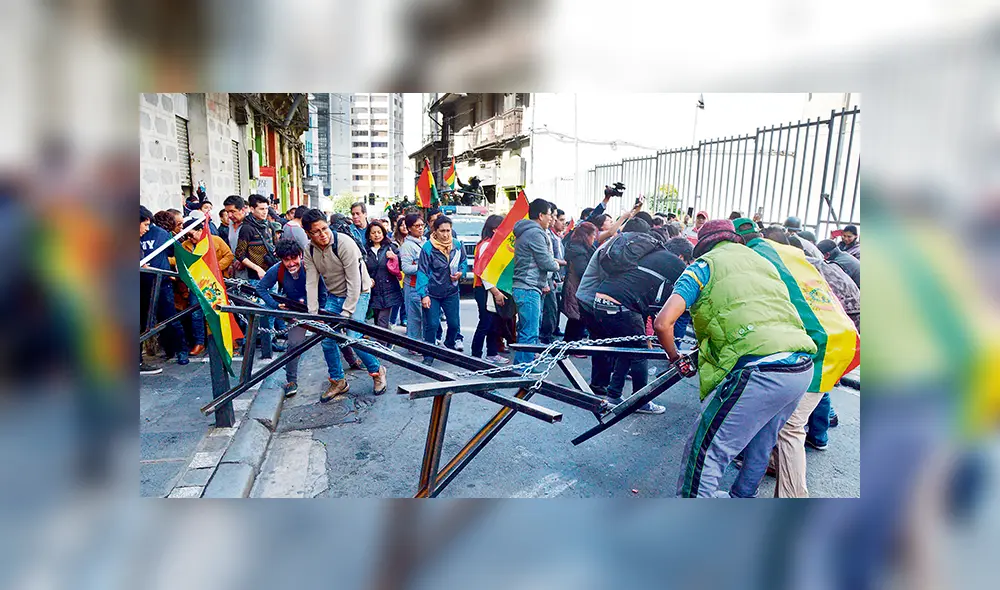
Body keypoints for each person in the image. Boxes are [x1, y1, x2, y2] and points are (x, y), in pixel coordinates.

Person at [652, 219, 817, 498]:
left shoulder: (704, 267)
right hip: (801, 366)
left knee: (705, 450)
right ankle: (742, 498)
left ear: (702, 247)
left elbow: (663, 323)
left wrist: (675, 357)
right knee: (762, 442)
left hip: (763, 369)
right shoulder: (763, 264)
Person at [734, 218, 857, 498]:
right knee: (784, 413)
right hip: (841, 337)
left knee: (790, 427)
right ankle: (777, 464)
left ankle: (793, 497)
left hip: (820, 346)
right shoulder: (791, 252)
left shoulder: (755, 258)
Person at [591, 217, 686, 414]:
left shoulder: (648, 256)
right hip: (621, 305)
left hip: (600, 301)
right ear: (683, 256)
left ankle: (614, 395)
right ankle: (642, 400)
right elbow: (686, 292)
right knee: (640, 352)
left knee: (628, 350)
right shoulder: (674, 262)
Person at [301, 209, 387, 400]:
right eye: (317, 231)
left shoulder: (345, 243)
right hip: (335, 295)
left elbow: (354, 281)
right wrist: (313, 314)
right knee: (327, 340)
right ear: (308, 233)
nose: (323, 234)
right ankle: (338, 381)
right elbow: (312, 282)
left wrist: (347, 312)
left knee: (352, 337)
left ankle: (377, 371)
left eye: (325, 228)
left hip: (359, 293)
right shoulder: (310, 250)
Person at [254, 238, 329, 398]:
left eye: (294, 258)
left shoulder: (310, 266)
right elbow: (261, 288)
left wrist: (320, 313)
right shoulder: (277, 270)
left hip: (317, 309)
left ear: (301, 256)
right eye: (286, 260)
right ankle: (291, 381)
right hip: (295, 311)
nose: (291, 263)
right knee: (294, 345)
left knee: (334, 339)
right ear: (281, 259)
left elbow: (323, 290)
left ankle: (351, 360)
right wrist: (275, 304)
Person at [511, 199, 561, 365]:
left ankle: (522, 365)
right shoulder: (536, 233)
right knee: (529, 331)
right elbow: (546, 262)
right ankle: (522, 368)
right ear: (540, 215)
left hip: (526, 287)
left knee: (527, 329)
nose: (551, 219)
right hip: (528, 287)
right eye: (549, 215)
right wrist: (556, 264)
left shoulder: (527, 231)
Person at [140, 206, 189, 369]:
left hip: (161, 284)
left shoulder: (161, 234)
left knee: (170, 318)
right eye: (145, 225)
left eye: (148, 225)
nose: (146, 228)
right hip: (139, 285)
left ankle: (180, 350)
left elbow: (176, 252)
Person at [179, 217, 234, 357]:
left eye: (191, 234)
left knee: (220, 311)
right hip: (196, 285)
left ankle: (224, 340)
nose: (189, 238)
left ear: (200, 230)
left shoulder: (216, 240)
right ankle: (200, 342)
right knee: (196, 314)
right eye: (187, 235)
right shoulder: (186, 245)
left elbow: (229, 255)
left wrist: (214, 269)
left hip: (215, 282)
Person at [417, 216, 467, 362]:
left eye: (448, 230)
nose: (445, 234)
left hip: (451, 291)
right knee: (431, 325)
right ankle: (428, 355)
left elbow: (463, 262)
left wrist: (461, 273)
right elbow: (422, 271)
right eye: (442, 231)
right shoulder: (428, 247)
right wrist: (423, 294)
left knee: (454, 324)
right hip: (432, 292)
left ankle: (448, 345)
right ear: (435, 231)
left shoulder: (457, 245)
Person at [471, 215, 507, 363]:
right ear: (494, 229)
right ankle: (476, 354)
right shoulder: (486, 245)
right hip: (484, 288)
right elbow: (484, 272)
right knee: (485, 322)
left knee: (493, 322)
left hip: (490, 288)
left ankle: (492, 353)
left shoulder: (493, 244)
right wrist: (496, 292)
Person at [562, 221, 598, 344]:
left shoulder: (583, 247)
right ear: (587, 235)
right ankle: (572, 344)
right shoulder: (577, 249)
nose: (595, 238)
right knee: (576, 316)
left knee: (578, 316)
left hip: (579, 285)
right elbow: (582, 270)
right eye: (593, 235)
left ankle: (571, 343)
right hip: (575, 285)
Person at [364, 220, 404, 329]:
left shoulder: (391, 247)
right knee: (378, 321)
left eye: (379, 232)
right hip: (374, 292)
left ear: (383, 233)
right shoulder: (365, 251)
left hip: (389, 290)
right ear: (369, 235)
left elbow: (402, 266)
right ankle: (388, 341)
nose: (376, 235)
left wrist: (395, 258)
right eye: (373, 233)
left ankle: (382, 345)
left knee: (382, 320)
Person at [399, 213, 427, 352]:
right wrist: (424, 267)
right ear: (409, 228)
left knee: (426, 316)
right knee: (415, 318)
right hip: (413, 286)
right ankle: (413, 345)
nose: (420, 228)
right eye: (417, 226)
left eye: (422, 225)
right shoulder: (407, 246)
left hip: (426, 286)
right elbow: (406, 268)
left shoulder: (426, 242)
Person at [540, 206, 567, 344]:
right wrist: (562, 264)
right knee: (548, 309)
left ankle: (549, 333)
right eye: (553, 215)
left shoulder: (554, 236)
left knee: (553, 308)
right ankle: (545, 337)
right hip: (545, 278)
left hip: (552, 277)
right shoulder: (543, 234)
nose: (554, 219)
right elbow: (546, 259)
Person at [220, 195, 249, 279]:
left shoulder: (250, 225)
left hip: (252, 274)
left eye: (233, 211)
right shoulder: (230, 225)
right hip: (237, 272)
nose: (229, 215)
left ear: (243, 210)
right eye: (227, 212)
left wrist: (243, 261)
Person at [390, 216, 409, 328]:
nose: (404, 227)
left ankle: (404, 318)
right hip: (397, 273)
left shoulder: (413, 240)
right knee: (398, 297)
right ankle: (392, 320)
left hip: (407, 273)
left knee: (405, 298)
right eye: (402, 225)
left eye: (406, 225)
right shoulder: (393, 242)